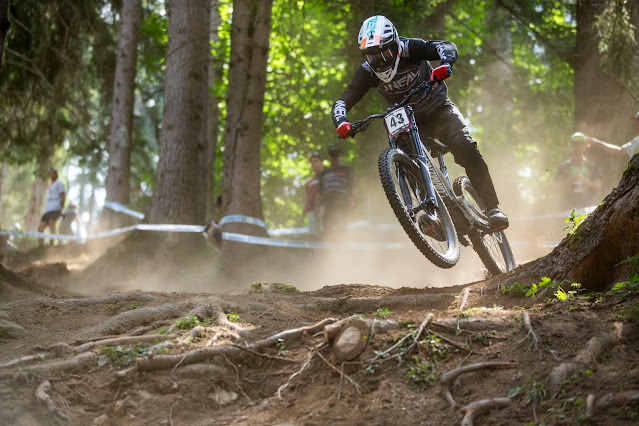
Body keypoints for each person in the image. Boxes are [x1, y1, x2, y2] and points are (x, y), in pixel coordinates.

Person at [331, 15, 509, 231]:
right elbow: (344, 99)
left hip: (439, 109)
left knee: (465, 146)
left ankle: (492, 208)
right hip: (408, 120)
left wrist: (445, 64)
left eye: (383, 54)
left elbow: (445, 47)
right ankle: (434, 216)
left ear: (394, 45)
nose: (379, 62)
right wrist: (341, 121)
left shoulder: (410, 48)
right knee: (408, 164)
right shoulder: (367, 72)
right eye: (372, 57)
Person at [554, 132, 602, 210]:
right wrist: (571, 179)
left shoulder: (593, 167)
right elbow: (556, 188)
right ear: (571, 145)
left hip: (588, 209)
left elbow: (598, 188)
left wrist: (584, 180)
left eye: (581, 144)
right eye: (575, 144)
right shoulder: (562, 167)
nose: (578, 146)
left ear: (585, 145)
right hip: (567, 209)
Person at [318, 145, 355, 236]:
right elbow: (319, 191)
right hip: (327, 204)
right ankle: (327, 248)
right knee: (326, 230)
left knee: (342, 228)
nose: (335, 158)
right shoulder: (323, 173)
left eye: (336, 155)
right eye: (332, 155)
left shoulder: (347, 169)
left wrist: (352, 200)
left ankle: (343, 247)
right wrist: (317, 205)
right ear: (329, 156)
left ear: (340, 156)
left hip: (342, 203)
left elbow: (353, 186)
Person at [37, 167, 66, 247]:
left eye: (53, 173)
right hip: (48, 210)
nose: (52, 175)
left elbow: (63, 196)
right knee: (40, 228)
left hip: (55, 208)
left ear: (56, 174)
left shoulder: (59, 184)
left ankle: (51, 245)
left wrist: (60, 209)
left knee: (51, 225)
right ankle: (40, 245)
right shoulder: (50, 185)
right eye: (50, 173)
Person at [298, 151, 324, 234]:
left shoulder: (328, 176)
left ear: (321, 162)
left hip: (324, 209)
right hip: (311, 212)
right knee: (313, 237)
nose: (314, 164)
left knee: (325, 235)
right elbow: (307, 199)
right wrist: (302, 216)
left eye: (316, 161)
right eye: (312, 162)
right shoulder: (309, 182)